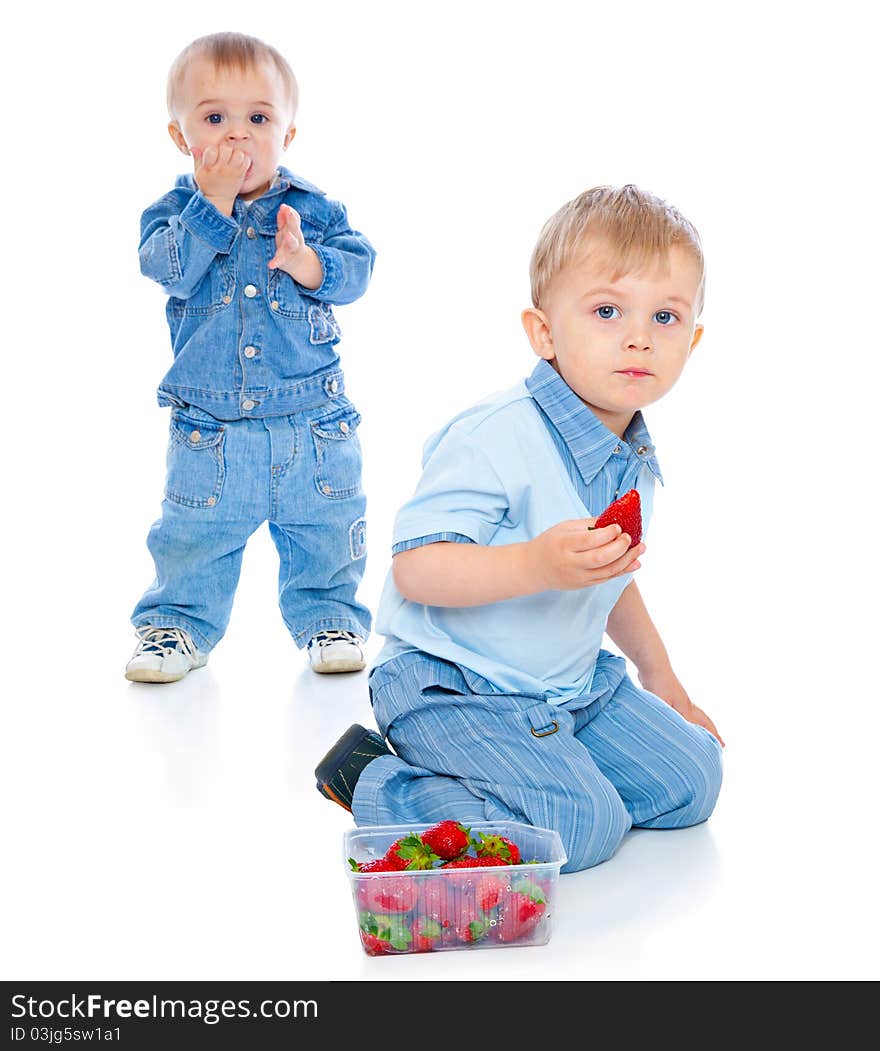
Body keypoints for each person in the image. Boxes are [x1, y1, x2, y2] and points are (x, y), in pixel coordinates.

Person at [315, 185, 724, 873]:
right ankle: (379, 780)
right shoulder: (497, 435)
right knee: (583, 829)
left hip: (563, 686)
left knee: (693, 780)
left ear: (694, 339)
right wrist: (536, 564)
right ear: (543, 333)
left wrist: (663, 677)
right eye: (606, 310)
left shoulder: (632, 457)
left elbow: (608, 579)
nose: (638, 336)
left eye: (665, 316)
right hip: (451, 684)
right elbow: (416, 569)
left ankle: (543, 768)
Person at [126, 32, 376, 683]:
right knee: (192, 538)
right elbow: (169, 269)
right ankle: (175, 626)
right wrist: (211, 205)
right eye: (215, 119)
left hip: (311, 422)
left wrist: (306, 261)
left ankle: (330, 615)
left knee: (325, 528)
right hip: (211, 431)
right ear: (181, 137)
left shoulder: (313, 211)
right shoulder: (173, 214)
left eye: (258, 118)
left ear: (288, 133)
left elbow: (357, 272)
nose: (238, 137)